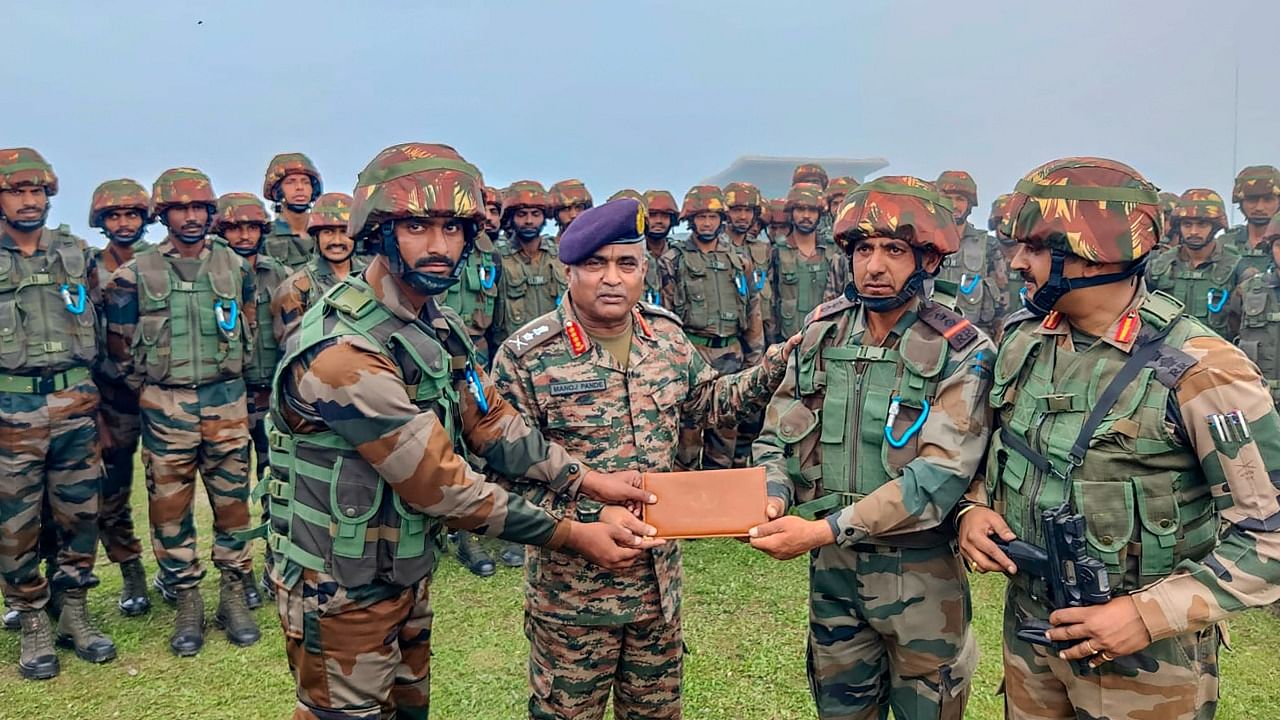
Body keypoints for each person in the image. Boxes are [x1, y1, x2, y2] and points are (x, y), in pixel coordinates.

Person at [264, 142, 659, 719]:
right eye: (417, 226)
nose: (438, 246)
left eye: (452, 228)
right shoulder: (343, 349)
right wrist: (575, 534)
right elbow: (441, 487)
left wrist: (587, 480)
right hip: (338, 592)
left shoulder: (433, 323)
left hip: (399, 570)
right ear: (377, 231)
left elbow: (490, 421)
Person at [958, 157, 1280, 720]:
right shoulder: (1021, 343)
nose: (1016, 262)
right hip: (1033, 635)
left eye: (1035, 248)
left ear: (1091, 252)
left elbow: (1269, 534)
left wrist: (1146, 615)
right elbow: (997, 455)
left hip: (1149, 665)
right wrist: (973, 509)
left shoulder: (1203, 370)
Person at [492, 197, 798, 719]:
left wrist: (778, 362)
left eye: (626, 264)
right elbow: (499, 481)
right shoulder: (525, 358)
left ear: (643, 270)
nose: (612, 278)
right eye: (596, 264)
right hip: (573, 599)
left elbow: (708, 403)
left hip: (657, 591)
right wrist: (587, 517)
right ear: (569, 270)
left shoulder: (666, 339)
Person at [750, 176, 992, 719]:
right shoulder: (822, 336)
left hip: (922, 578)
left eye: (893, 250)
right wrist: (772, 489)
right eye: (863, 250)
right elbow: (775, 435)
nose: (874, 266)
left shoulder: (964, 350)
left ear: (927, 260)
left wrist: (822, 529)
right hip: (833, 577)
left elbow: (939, 477)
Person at [104, 168, 260, 656]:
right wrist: (151, 390)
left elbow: (249, 330)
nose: (191, 217)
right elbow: (119, 346)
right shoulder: (134, 274)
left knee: (233, 504)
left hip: (227, 402)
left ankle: (234, 593)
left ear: (211, 213)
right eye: (180, 208)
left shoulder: (236, 267)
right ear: (163, 214)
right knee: (169, 509)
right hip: (165, 406)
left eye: (199, 208)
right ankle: (187, 599)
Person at [0, 147, 116, 679]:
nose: (28, 201)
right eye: (16, 191)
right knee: (15, 525)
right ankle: (31, 619)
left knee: (80, 514)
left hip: (75, 404)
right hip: (10, 410)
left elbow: (99, 323)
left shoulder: (75, 253)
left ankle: (73, 611)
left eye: (36, 191)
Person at [658, 185, 765, 470]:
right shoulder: (673, 260)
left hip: (731, 354)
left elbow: (753, 310)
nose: (707, 223)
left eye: (713, 217)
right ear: (690, 220)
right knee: (687, 437)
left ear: (721, 220)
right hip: (692, 355)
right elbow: (664, 316)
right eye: (701, 217)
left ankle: (720, 502)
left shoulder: (739, 260)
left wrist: (755, 360)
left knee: (726, 430)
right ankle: (684, 504)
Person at [87, 178, 154, 617]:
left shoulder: (161, 262)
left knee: (170, 492)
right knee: (110, 494)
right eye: (114, 215)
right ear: (102, 221)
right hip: (112, 400)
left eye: (132, 214)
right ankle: (130, 570)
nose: (124, 222)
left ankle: (176, 572)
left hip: (164, 394)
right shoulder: (86, 268)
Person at [1145, 188, 1244, 340]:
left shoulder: (1236, 266)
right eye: (1187, 225)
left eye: (1202, 225)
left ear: (1216, 227)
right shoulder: (1159, 265)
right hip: (1165, 354)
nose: (1193, 232)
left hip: (1218, 354)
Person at [271, 192, 364, 346]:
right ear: (316, 237)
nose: (337, 241)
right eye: (328, 232)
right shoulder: (295, 288)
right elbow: (293, 346)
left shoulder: (371, 278)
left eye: (344, 232)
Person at [935, 170, 1006, 337]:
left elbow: (1002, 302)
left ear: (970, 204)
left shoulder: (989, 246)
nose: (953, 205)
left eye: (960, 199)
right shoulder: (923, 243)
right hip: (928, 336)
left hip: (973, 337)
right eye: (948, 198)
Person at [493, 180, 565, 344]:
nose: (529, 221)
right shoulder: (496, 256)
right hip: (511, 350)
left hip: (555, 348)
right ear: (511, 218)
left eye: (535, 214)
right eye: (521, 214)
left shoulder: (560, 255)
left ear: (544, 218)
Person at [262, 152, 324, 272]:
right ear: (278, 190)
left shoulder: (327, 233)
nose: (300, 187)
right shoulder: (265, 237)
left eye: (305, 182)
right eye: (290, 182)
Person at [1222, 165, 1280, 275]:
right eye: (1252, 200)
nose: (1259, 207)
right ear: (1241, 202)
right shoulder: (1224, 244)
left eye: (1268, 200)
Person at [641, 189, 678, 307]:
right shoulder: (633, 256)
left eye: (664, 216)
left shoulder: (680, 255)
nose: (658, 221)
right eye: (652, 215)